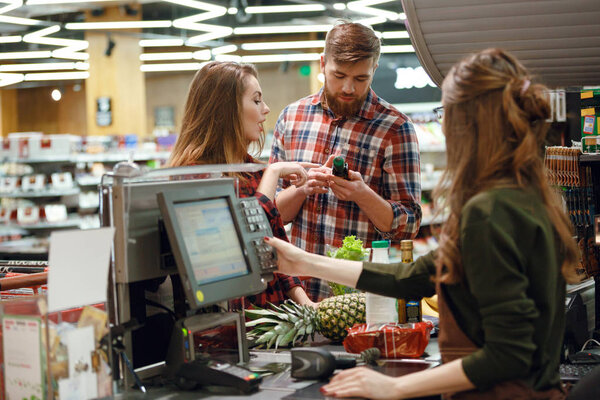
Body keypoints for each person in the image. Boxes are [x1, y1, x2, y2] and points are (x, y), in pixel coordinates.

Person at [264, 48, 581, 399]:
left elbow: (509, 355)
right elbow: (413, 277)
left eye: (446, 112)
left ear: (468, 124)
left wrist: (395, 387)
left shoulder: (489, 212)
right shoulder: (522, 195)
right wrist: (302, 261)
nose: (443, 124)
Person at [270, 21, 422, 302]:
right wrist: (302, 189)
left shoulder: (395, 128)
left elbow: (409, 224)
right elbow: (273, 214)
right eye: (338, 75)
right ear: (322, 64)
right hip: (297, 297)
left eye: (361, 78)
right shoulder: (291, 118)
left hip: (360, 302)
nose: (349, 87)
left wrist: (363, 195)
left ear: (374, 69)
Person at [169, 61, 317, 309]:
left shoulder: (248, 170)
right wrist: (273, 172)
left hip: (272, 323)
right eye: (257, 100)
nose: (267, 109)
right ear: (227, 110)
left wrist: (307, 304)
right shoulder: (193, 176)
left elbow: (274, 249)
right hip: (231, 326)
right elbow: (245, 243)